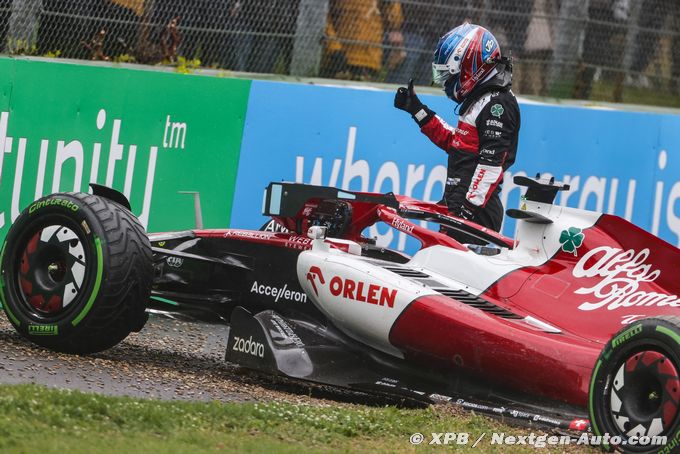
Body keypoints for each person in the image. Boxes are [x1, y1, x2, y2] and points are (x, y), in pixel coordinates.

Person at [394, 23, 520, 241]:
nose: (446, 84)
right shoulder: (480, 100)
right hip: (458, 209)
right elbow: (457, 143)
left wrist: (466, 213)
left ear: (470, 66)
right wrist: (417, 110)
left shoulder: (497, 104)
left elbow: (490, 167)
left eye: (449, 75)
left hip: (475, 217)